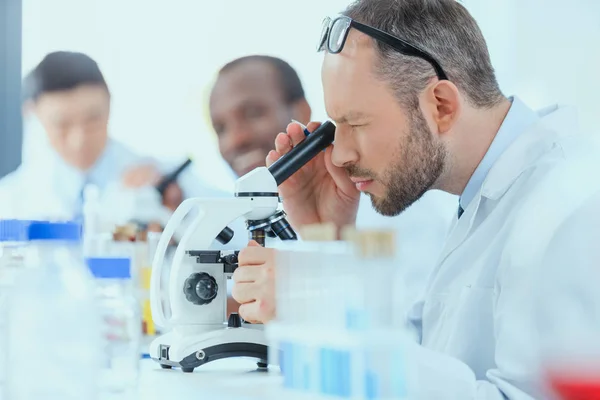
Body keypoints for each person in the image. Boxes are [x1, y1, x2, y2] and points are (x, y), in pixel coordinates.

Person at [229, 0, 600, 397]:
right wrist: (330, 242)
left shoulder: (569, 210)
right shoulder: (478, 198)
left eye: (356, 122)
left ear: (440, 105)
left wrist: (313, 302)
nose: (338, 154)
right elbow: (419, 356)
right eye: (337, 127)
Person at [209, 54, 457, 309]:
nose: (235, 140)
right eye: (221, 129)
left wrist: (300, 300)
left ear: (302, 110)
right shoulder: (249, 219)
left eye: (253, 113)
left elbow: (413, 331)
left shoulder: (389, 204)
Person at [0, 51, 228, 229]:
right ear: (31, 114)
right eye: (62, 124)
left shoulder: (166, 181)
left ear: (109, 103)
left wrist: (177, 217)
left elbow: (237, 229)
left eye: (92, 119)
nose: (79, 140)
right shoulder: (11, 200)